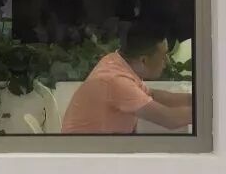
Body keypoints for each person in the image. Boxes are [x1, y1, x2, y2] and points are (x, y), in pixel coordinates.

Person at [62, 22, 192, 134]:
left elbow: (152, 95)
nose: (167, 62)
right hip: (85, 152)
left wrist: (196, 100)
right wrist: (204, 110)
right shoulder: (116, 80)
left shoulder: (116, 61)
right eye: (163, 56)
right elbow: (169, 119)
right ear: (144, 60)